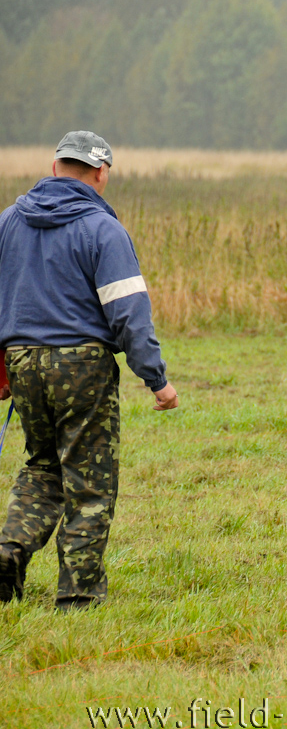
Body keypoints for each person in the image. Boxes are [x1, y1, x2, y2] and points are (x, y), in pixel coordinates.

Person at [0, 131, 179, 611]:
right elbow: (128, 315)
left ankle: (7, 552)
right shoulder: (103, 230)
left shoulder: (8, 222)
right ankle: (78, 594)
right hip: (82, 364)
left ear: (55, 166)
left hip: (22, 362)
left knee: (42, 465)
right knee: (89, 480)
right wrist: (156, 379)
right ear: (101, 173)